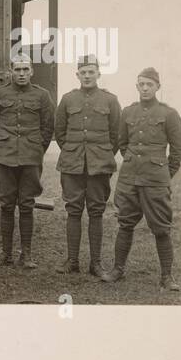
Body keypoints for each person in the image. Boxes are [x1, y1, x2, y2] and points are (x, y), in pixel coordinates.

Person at [101, 67, 181, 291]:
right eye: (142, 84)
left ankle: (167, 277)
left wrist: (165, 174)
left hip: (156, 181)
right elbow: (122, 143)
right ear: (137, 86)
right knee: (125, 224)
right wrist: (133, 164)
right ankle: (117, 269)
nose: (145, 88)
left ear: (158, 87)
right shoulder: (128, 112)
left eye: (150, 84)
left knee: (161, 228)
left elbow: (179, 149)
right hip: (129, 179)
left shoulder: (169, 114)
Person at [53, 55, 122, 276]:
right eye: (83, 72)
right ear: (77, 75)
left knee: (96, 212)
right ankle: (72, 261)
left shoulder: (110, 100)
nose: (87, 76)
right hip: (72, 164)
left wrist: (102, 154)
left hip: (99, 165)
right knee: (73, 211)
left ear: (98, 74)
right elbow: (60, 133)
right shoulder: (67, 99)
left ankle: (96, 264)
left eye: (91, 72)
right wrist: (73, 151)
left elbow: (116, 135)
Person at [0, 57, 55, 268]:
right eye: (18, 69)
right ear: (11, 71)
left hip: (30, 157)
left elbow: (47, 127)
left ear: (32, 71)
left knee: (26, 205)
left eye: (26, 69)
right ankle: (5, 254)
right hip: (4, 158)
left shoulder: (42, 95)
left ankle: (27, 255)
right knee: (6, 205)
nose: (22, 73)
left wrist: (37, 149)